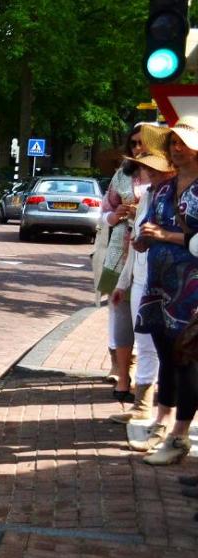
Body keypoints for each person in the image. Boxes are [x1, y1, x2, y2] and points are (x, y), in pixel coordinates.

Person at [129, 115, 198, 466]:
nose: (177, 149)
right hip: (159, 286)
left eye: (183, 143)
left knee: (187, 359)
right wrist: (142, 240)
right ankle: (162, 421)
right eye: (173, 143)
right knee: (165, 355)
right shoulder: (163, 188)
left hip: (192, 289)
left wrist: (166, 237)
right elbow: (146, 229)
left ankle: (180, 435)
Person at [110, 125, 173, 426]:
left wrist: (161, 235)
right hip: (139, 280)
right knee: (144, 342)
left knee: (166, 347)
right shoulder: (148, 195)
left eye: (153, 166)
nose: (148, 171)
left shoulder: (179, 195)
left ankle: (164, 415)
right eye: (147, 166)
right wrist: (123, 282)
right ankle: (142, 405)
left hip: (167, 283)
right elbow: (136, 245)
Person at [95, 124, 151, 406]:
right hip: (119, 250)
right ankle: (120, 373)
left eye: (143, 143)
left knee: (143, 311)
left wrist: (139, 212)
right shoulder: (122, 175)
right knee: (116, 309)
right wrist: (115, 215)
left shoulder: (162, 175)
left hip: (148, 252)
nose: (138, 148)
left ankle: (143, 374)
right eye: (134, 143)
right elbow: (103, 213)